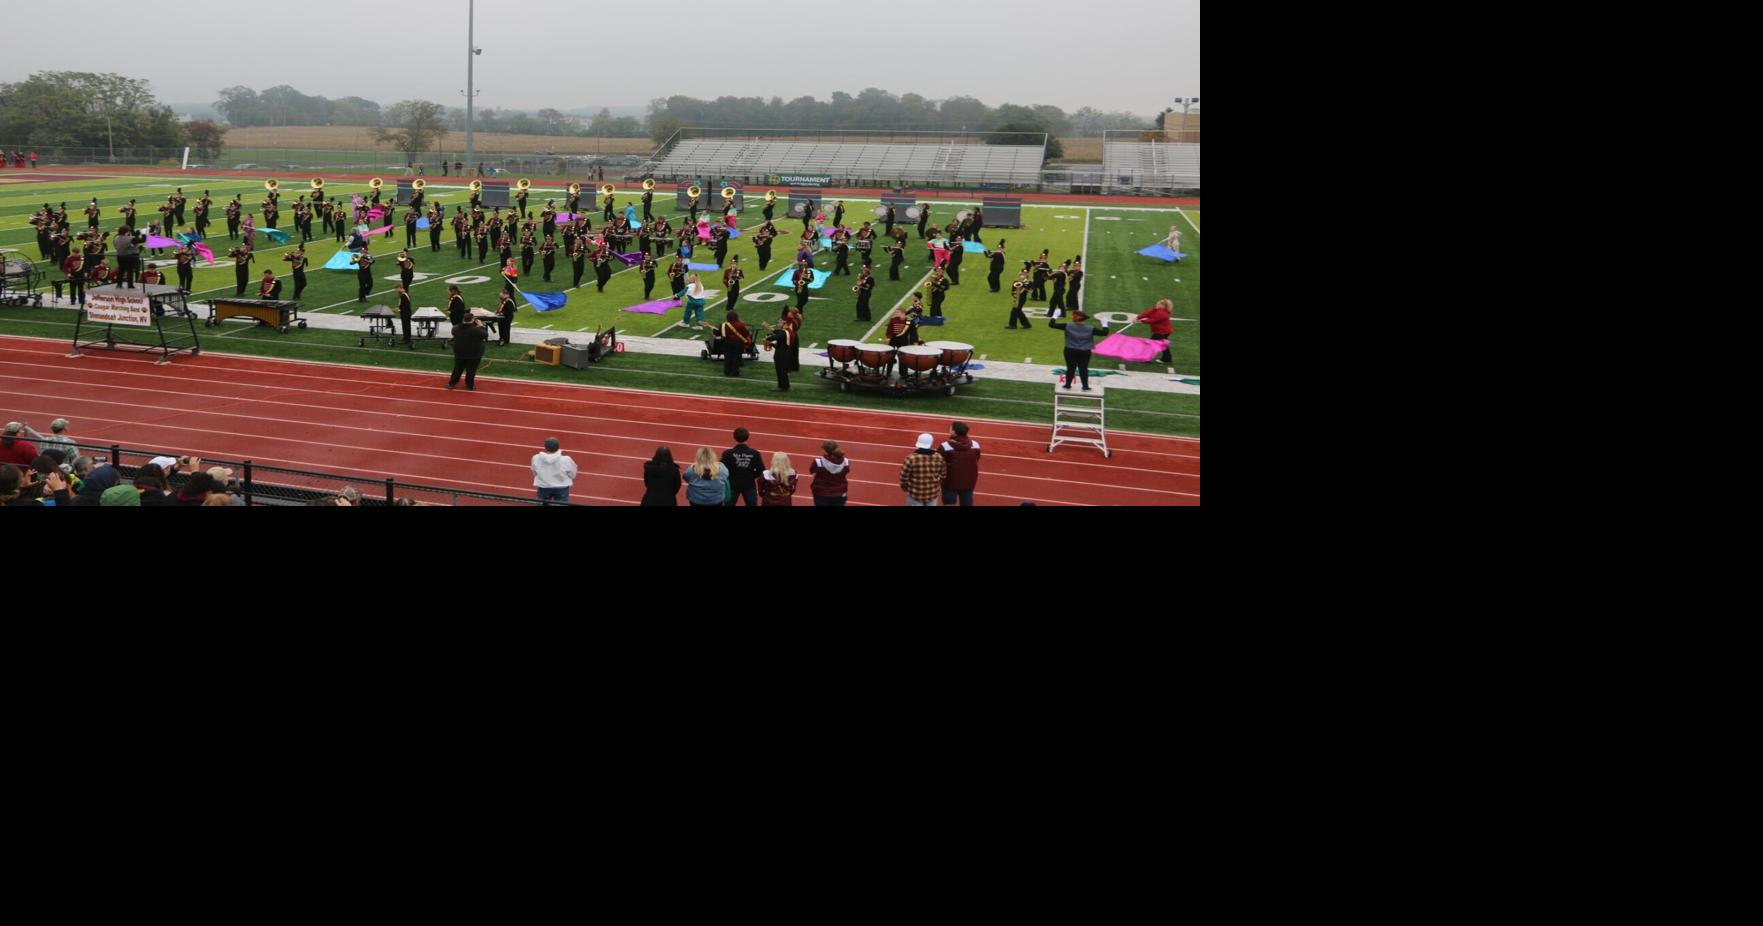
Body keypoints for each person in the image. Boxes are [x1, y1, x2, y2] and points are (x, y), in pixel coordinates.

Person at [1049, 310, 1111, 391]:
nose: (1072, 317)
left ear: (1076, 317)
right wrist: (1105, 324)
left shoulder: (1068, 326)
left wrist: (1054, 316)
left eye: (1073, 315)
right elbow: (1104, 333)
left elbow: (1051, 325)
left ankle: (1067, 385)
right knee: (1083, 368)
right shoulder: (1090, 328)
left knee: (1070, 368)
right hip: (1084, 351)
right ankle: (1085, 386)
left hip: (1070, 350)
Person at [940, 422, 982, 508]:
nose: (949, 429)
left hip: (949, 482)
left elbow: (939, 462)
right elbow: (976, 459)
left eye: (950, 428)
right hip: (968, 481)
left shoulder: (945, 446)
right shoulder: (975, 445)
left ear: (954, 432)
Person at [900, 433, 948, 507]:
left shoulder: (911, 458)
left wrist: (906, 488)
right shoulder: (939, 457)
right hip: (932, 493)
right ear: (931, 444)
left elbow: (903, 477)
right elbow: (943, 475)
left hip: (915, 494)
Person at [721, 428, 764, 507]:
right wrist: (751, 475)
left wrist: (731, 476)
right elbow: (761, 470)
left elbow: (722, 470)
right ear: (748, 437)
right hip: (749, 484)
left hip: (732, 485)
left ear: (734, 437)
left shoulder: (727, 454)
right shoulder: (755, 453)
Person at [448, 313, 488, 391]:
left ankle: (452, 383)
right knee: (471, 370)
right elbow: (485, 335)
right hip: (474, 353)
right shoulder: (476, 330)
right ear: (472, 320)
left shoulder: (456, 328)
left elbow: (454, 333)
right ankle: (470, 385)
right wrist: (481, 326)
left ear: (463, 319)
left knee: (457, 369)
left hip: (460, 352)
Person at [532, 437, 578, 504]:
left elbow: (534, 472)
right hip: (561, 488)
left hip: (544, 487)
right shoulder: (566, 459)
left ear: (545, 447)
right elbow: (572, 474)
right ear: (558, 447)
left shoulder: (536, 458)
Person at [710, 310, 753, 377]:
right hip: (738, 343)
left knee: (727, 357)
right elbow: (746, 334)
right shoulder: (741, 324)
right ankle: (735, 372)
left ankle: (727, 372)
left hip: (727, 343)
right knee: (736, 357)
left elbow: (718, 333)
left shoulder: (723, 325)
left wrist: (713, 329)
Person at [809, 440, 851, 507]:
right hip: (840, 493)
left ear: (825, 451)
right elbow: (846, 471)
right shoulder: (846, 462)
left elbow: (812, 472)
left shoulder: (818, 462)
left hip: (821, 494)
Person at [1137, 298, 1176, 365]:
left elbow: (1153, 320)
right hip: (1163, 331)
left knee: (1151, 344)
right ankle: (1167, 359)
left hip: (1162, 332)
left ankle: (1147, 359)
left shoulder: (1162, 313)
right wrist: (1138, 317)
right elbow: (1148, 313)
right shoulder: (1156, 310)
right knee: (1163, 344)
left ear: (1163, 306)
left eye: (1158, 304)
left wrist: (1141, 321)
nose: (1156, 305)